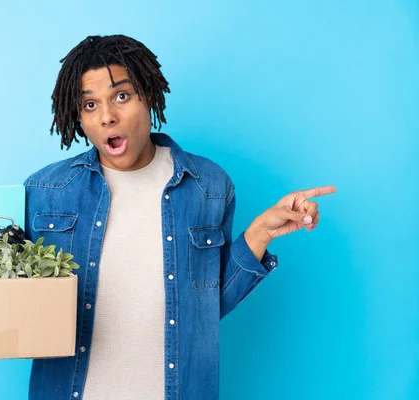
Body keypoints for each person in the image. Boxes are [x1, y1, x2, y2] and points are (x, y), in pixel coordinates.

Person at [22, 34, 336, 400]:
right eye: (90, 105)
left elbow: (204, 310)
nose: (107, 116)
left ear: (149, 96)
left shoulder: (209, 186)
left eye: (121, 96)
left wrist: (259, 234)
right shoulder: (46, 191)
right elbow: (11, 305)